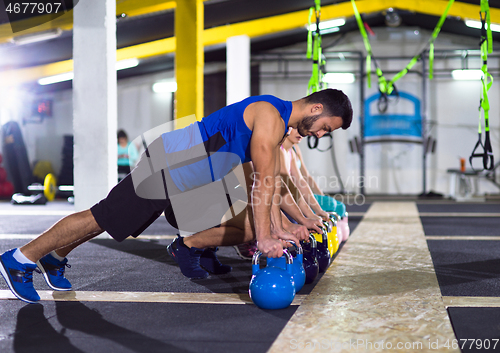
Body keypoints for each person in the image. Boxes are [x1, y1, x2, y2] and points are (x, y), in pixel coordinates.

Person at [0, 89, 352, 303]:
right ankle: (21, 258)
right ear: (317, 109)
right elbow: (261, 181)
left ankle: (57, 255)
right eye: (325, 128)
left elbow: (269, 185)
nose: (319, 135)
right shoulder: (270, 116)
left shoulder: (276, 123)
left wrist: (279, 232)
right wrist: (265, 238)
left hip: (187, 178)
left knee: (112, 219)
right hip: (171, 167)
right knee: (101, 216)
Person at [283, 128, 350, 240]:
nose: (300, 132)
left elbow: (302, 181)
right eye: (295, 127)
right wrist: (309, 215)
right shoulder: (279, 151)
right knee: (331, 206)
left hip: (295, 196)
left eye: (302, 128)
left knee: (337, 207)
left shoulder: (293, 151)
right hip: (286, 199)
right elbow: (288, 187)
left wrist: (319, 209)